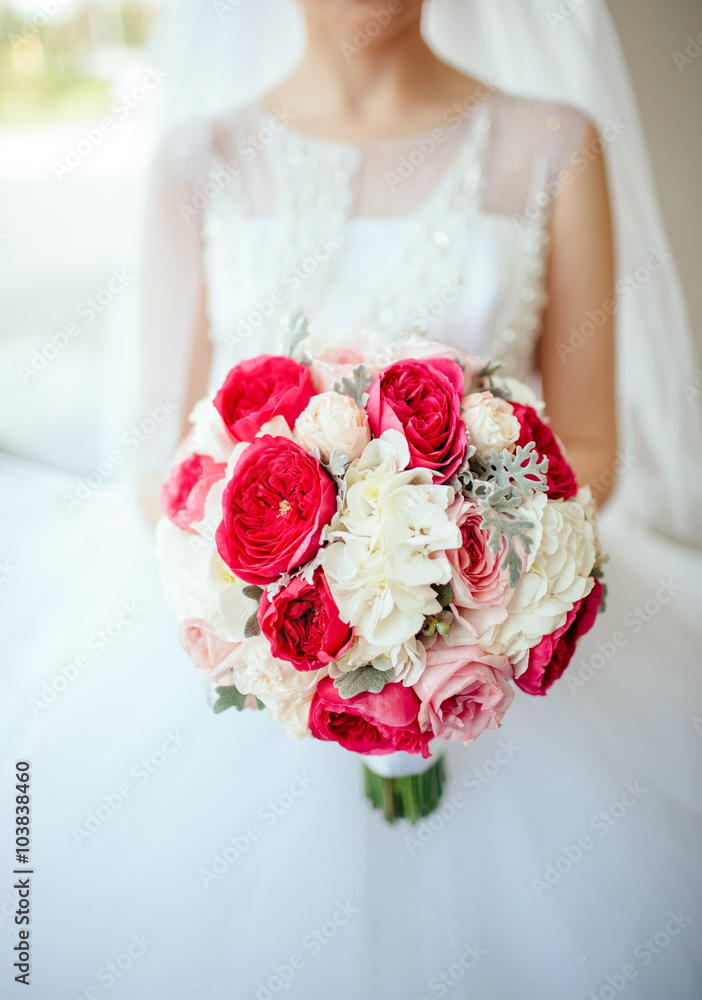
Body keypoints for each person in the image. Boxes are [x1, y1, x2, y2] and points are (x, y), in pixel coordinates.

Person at [3, 2, 701, 998]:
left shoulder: (555, 143)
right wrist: (291, 609)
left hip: (497, 643)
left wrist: (454, 594)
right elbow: (154, 459)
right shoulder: (200, 160)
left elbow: (591, 445)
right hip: (257, 657)